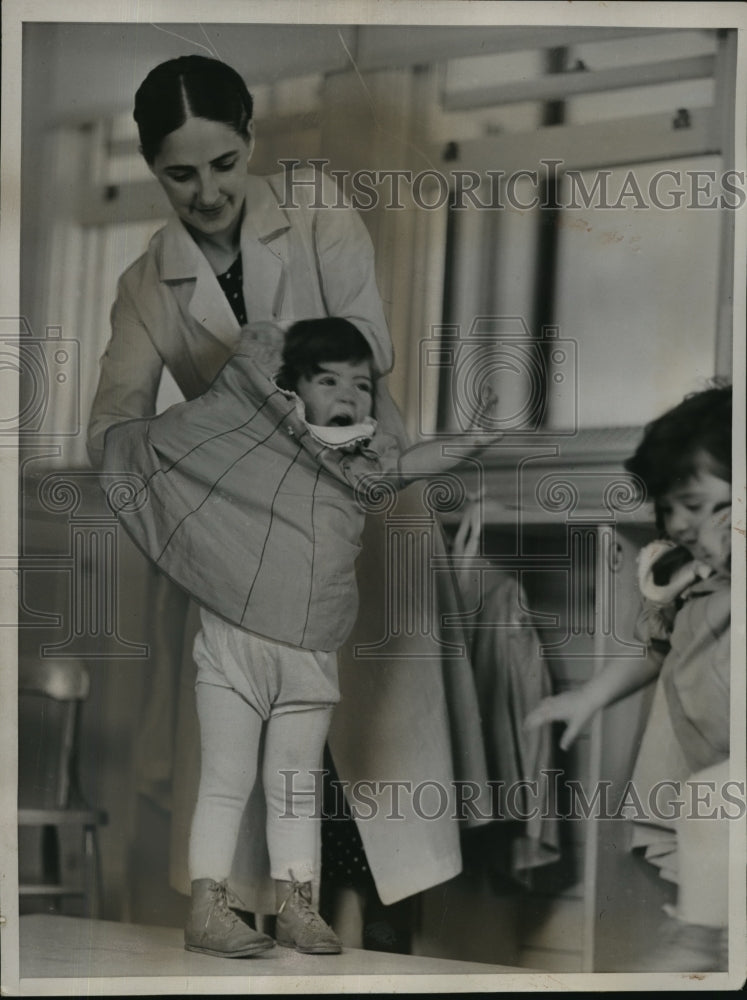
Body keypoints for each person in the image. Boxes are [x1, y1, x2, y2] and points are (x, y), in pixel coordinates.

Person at [87, 52, 491, 944]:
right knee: (258, 768)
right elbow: (112, 429)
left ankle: (388, 955)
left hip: (363, 509)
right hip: (242, 546)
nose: (206, 192)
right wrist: (204, 478)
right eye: (179, 174)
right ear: (152, 167)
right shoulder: (145, 283)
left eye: (224, 165)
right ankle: (271, 939)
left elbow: (370, 346)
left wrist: (259, 377)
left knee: (376, 773)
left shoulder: (317, 214)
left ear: (251, 141)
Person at [103, 316, 499, 956]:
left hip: (310, 653)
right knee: (226, 781)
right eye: (328, 380)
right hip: (235, 649)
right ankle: (209, 908)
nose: (348, 396)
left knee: (295, 787)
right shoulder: (250, 439)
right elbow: (194, 424)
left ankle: (297, 906)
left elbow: (415, 462)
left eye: (362, 385)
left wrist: (480, 437)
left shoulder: (361, 465)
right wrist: (257, 359)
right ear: (291, 388)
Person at [525, 385, 732, 972]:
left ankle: (698, 942)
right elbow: (654, 652)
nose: (680, 523)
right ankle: (706, 942)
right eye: (668, 508)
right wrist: (587, 696)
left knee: (709, 800)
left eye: (695, 504)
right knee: (710, 807)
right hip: (720, 763)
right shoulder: (691, 581)